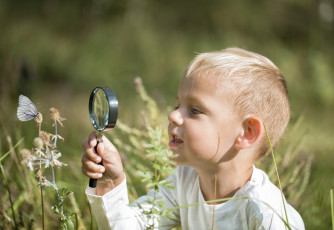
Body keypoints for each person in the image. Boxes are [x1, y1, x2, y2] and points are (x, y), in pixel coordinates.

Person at [81, 47, 305, 229]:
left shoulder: (266, 213)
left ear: (247, 133)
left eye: (195, 110)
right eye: (177, 105)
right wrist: (109, 184)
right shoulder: (184, 182)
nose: (172, 115)